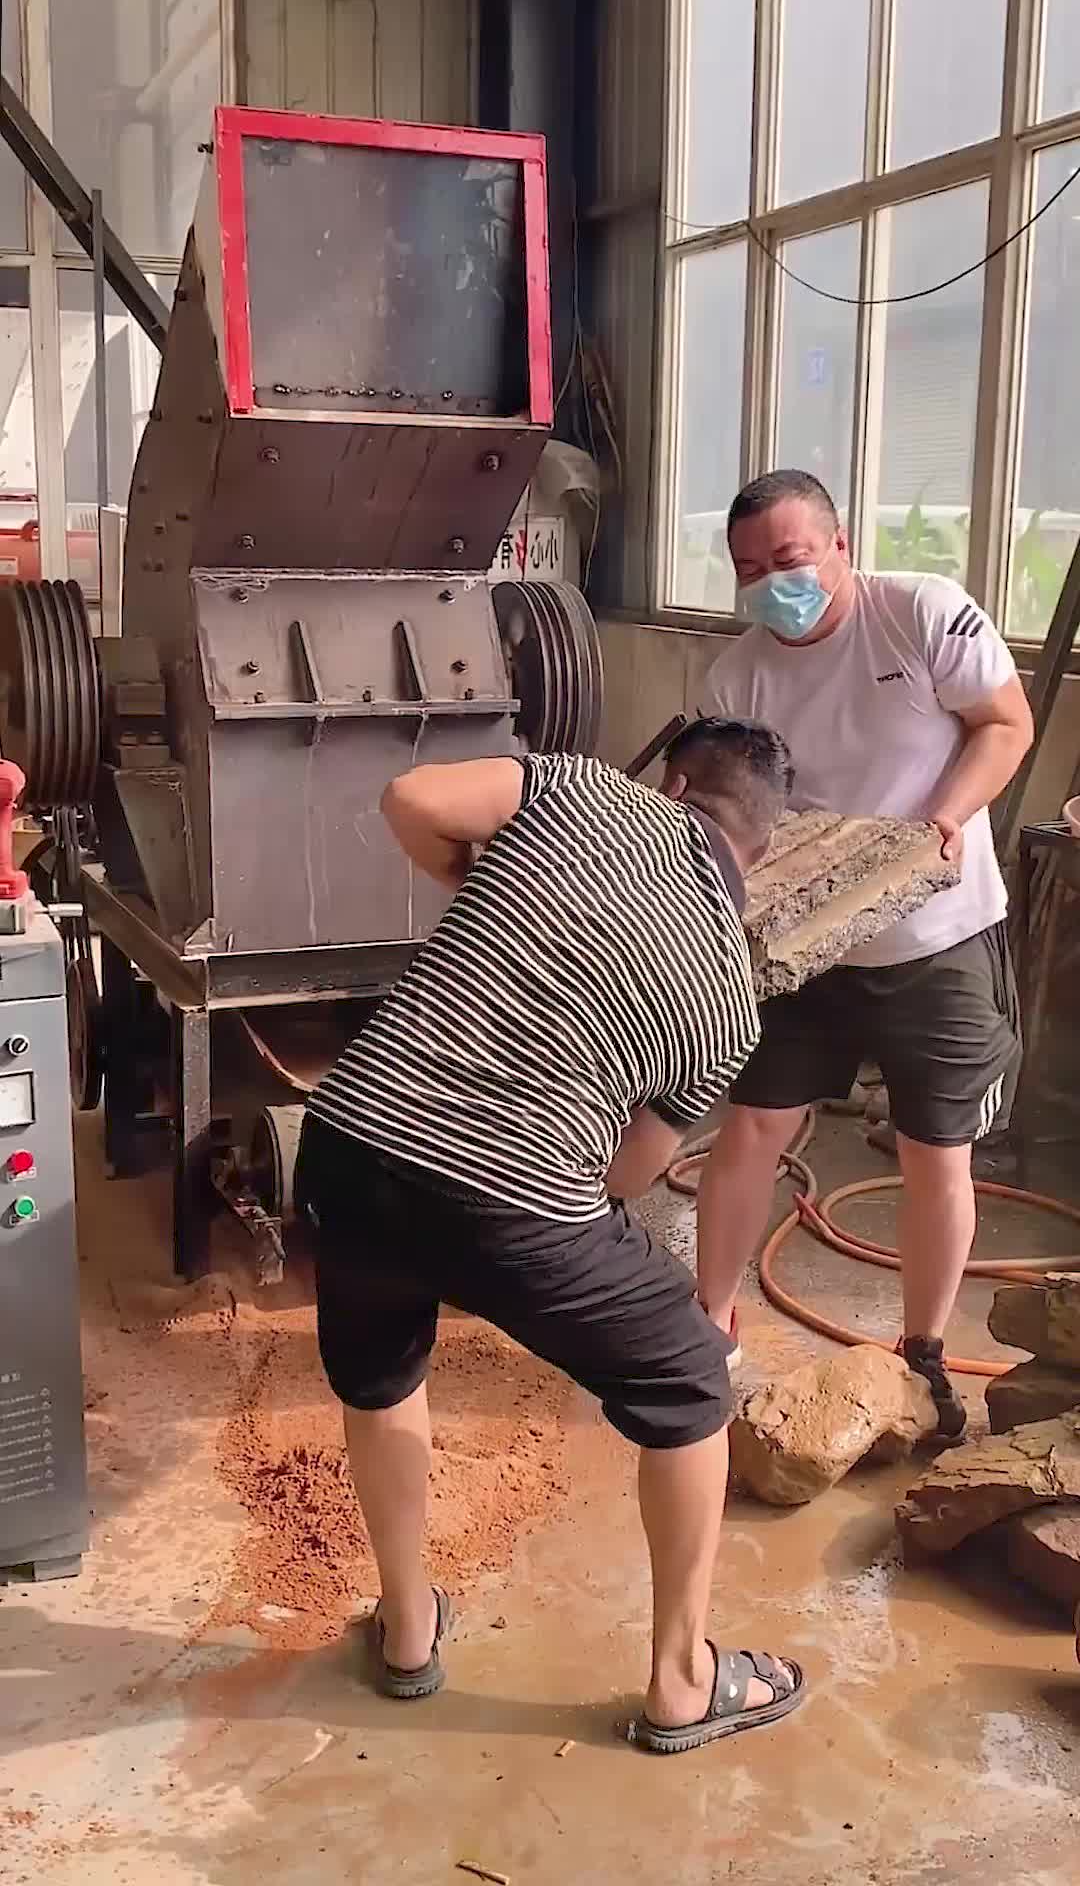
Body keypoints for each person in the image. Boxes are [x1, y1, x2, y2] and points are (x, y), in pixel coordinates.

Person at [295, 722, 806, 1753]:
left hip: (353, 1144)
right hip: (513, 1206)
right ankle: (682, 1680)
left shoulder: (577, 790)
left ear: (674, 781)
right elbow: (626, 1177)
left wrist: (484, 888)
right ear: (758, 849)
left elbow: (410, 800)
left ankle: (407, 1630)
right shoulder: (729, 1005)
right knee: (691, 1382)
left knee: (384, 1371)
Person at [696, 468, 1034, 1440]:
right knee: (752, 1127)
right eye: (750, 569)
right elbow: (732, 816)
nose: (773, 583)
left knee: (935, 1150)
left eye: (791, 558)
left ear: (840, 546)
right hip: (805, 948)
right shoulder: (738, 678)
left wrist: (942, 821)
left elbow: (1006, 723)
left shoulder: (920, 615)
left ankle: (923, 1353)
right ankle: (707, 1323)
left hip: (938, 935)